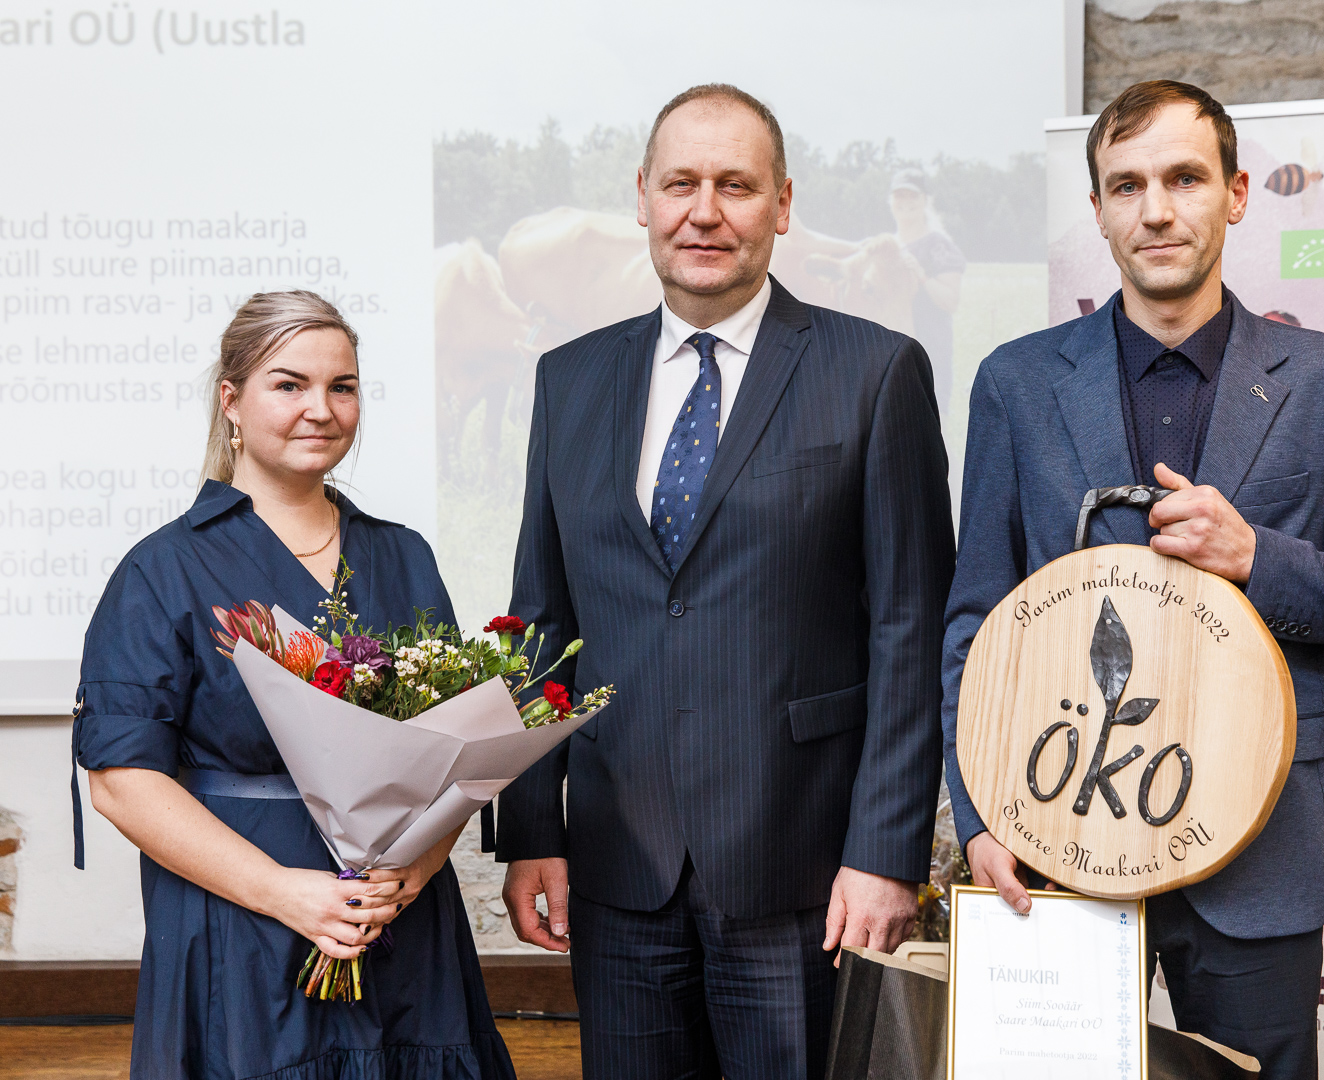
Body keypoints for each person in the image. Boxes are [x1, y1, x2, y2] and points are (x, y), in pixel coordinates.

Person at [942, 81, 1324, 1079]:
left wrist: (1256, 559)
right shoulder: (1014, 383)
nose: (1154, 209)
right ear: (1095, 210)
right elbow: (975, 619)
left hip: (1255, 868)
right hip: (1059, 844)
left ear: (1233, 193)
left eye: (1182, 178)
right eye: (1125, 185)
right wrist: (978, 818)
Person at [493, 83, 955, 1078]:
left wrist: (884, 853)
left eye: (735, 186)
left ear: (781, 206)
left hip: (801, 870)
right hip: (618, 870)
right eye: (681, 184)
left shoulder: (873, 373)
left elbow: (909, 632)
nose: (704, 211)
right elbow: (540, 623)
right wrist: (531, 828)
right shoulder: (567, 379)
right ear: (642, 200)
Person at [72, 291, 515, 1080]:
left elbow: (459, 750)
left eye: (341, 387)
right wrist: (286, 895)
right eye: (289, 384)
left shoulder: (403, 555)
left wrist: (414, 870)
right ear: (231, 400)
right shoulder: (163, 569)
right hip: (243, 924)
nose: (321, 408)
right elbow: (122, 784)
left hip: (398, 927)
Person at [888, 168, 966, 414]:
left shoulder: (939, 246)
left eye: (913, 196)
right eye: (900, 196)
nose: (906, 202)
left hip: (929, 356)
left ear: (925, 201)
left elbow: (950, 301)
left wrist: (921, 274)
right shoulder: (886, 247)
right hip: (889, 357)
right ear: (890, 201)